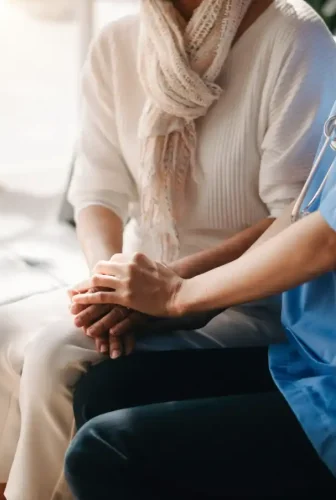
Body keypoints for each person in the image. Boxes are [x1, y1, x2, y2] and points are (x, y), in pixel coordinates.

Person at [0, 1, 336, 499]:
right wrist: (109, 284)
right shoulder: (117, 44)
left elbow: (293, 217)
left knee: (52, 353)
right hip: (142, 281)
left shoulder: (295, 36)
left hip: (243, 298)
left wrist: (172, 288)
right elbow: (96, 192)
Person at [65, 102, 336, 498]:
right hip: (309, 356)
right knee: (104, 390)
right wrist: (188, 291)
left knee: (105, 451)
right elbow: (302, 216)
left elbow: (326, 240)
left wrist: (179, 295)